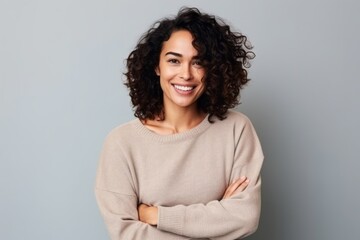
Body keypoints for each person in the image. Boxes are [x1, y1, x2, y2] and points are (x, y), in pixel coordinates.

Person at [95, 7, 264, 240]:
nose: (185, 74)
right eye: (174, 60)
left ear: (211, 69)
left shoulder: (236, 129)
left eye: (198, 62)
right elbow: (126, 233)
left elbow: (245, 217)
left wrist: (155, 215)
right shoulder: (122, 143)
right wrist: (215, 222)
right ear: (157, 66)